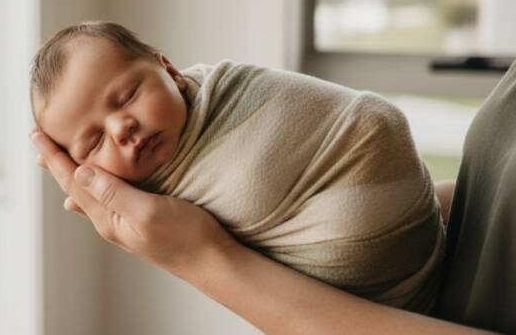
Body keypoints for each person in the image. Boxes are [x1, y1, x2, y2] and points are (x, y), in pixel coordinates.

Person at [30, 57, 516, 334]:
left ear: (167, 68)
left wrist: (206, 261)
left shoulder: (226, 98)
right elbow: (495, 207)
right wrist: (387, 206)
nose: (121, 127)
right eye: (93, 143)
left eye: (128, 95)